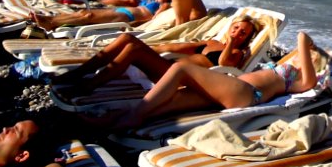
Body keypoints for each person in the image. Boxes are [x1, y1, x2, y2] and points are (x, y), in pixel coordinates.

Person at [103, 31, 319, 129]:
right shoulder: (284, 69)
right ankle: (109, 121)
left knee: (180, 68)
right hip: (231, 89)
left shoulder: (297, 78)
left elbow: (309, 84)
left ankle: (135, 115)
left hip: (246, 92)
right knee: (173, 100)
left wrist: (304, 42)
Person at [57, 15, 261, 90]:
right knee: (129, 40)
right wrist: (148, 51)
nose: (238, 33)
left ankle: (89, 86)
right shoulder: (211, 41)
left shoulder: (237, 52)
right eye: (236, 28)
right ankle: (80, 72)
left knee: (133, 47)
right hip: (168, 68)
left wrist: (231, 43)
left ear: (247, 38)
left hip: (182, 80)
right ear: (230, 27)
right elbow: (173, 48)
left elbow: (226, 65)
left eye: (243, 33)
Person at [30, 0, 172, 32]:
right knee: (83, 12)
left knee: (88, 17)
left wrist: (135, 26)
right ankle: (50, 20)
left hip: (128, 18)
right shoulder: (151, 1)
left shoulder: (165, 5)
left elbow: (154, 21)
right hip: (121, 11)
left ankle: (52, 23)